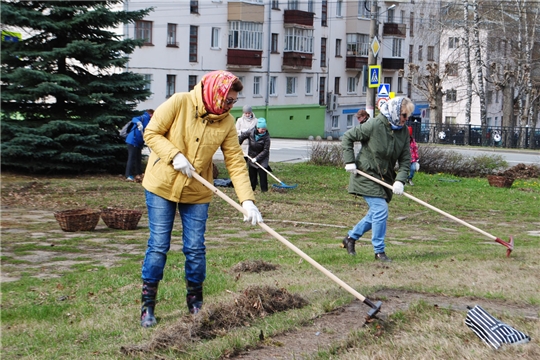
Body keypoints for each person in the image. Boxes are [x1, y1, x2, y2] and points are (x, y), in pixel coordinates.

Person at [139, 70, 263, 327]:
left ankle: (195, 304)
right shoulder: (180, 102)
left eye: (234, 101)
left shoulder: (227, 122)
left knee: (195, 248)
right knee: (159, 245)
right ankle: (147, 307)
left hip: (197, 191)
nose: (231, 105)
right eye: (228, 100)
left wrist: (247, 201)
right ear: (216, 93)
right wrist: (173, 155)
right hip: (161, 185)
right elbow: (151, 133)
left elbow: (236, 163)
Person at [341, 96, 414, 262]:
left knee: (375, 214)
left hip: (385, 178)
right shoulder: (374, 125)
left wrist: (400, 180)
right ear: (396, 112)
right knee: (380, 210)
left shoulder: (402, 132)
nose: (406, 119)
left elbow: (405, 160)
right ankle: (379, 252)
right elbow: (348, 137)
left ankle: (350, 238)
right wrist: (350, 161)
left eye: (407, 116)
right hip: (366, 174)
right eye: (404, 115)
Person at [238, 118, 271, 192]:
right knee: (252, 173)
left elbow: (266, 150)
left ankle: (264, 190)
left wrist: (257, 158)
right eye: (262, 129)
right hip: (252, 154)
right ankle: (251, 188)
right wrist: (238, 145)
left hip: (262, 157)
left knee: (262, 172)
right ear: (258, 128)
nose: (263, 131)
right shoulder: (251, 132)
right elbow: (242, 136)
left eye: (264, 129)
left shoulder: (267, 137)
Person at [125, 109, 154, 181]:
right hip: (132, 141)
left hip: (138, 142)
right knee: (131, 158)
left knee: (138, 158)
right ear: (150, 114)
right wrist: (138, 123)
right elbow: (134, 118)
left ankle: (139, 174)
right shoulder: (143, 117)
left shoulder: (149, 121)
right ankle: (128, 175)